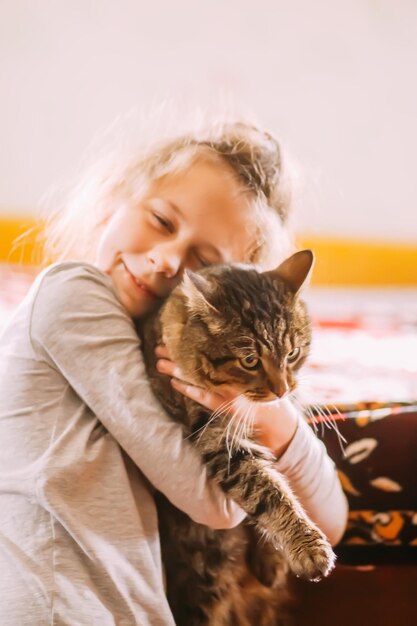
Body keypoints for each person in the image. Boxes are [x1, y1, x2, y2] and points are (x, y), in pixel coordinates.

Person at [0, 115, 348, 626]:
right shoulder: (71, 294)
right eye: (161, 221)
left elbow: (332, 525)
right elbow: (215, 503)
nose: (166, 260)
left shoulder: (208, 353)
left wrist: (281, 425)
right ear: (116, 197)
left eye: (203, 262)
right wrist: (247, 427)